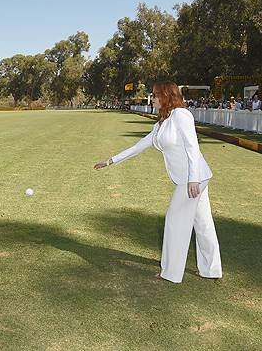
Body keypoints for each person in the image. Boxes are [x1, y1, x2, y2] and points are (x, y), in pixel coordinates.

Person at [94, 81, 222, 283]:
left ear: (166, 96)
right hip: (190, 179)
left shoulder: (181, 115)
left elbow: (192, 147)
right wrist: (110, 161)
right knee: (203, 223)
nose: (152, 98)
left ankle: (170, 273)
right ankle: (211, 270)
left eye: (155, 95)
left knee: (174, 220)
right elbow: (139, 146)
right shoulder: (161, 124)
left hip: (193, 179)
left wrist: (193, 179)